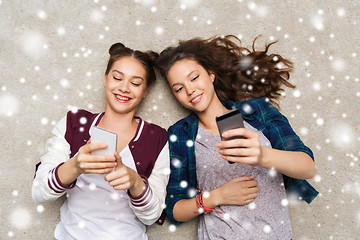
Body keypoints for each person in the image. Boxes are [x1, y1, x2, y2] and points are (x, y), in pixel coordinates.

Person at [155, 35, 318, 239]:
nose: (190, 90)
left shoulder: (258, 111)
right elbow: (175, 210)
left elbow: (307, 167)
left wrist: (262, 156)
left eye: (194, 78)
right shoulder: (181, 133)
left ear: (211, 75)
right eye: (178, 88)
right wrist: (216, 197)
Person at [32, 43, 170, 240]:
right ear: (105, 79)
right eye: (117, 78)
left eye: (136, 83)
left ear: (145, 90)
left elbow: (152, 216)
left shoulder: (157, 138)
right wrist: (75, 166)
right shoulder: (74, 123)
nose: (124, 87)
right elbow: (39, 192)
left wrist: (135, 183)